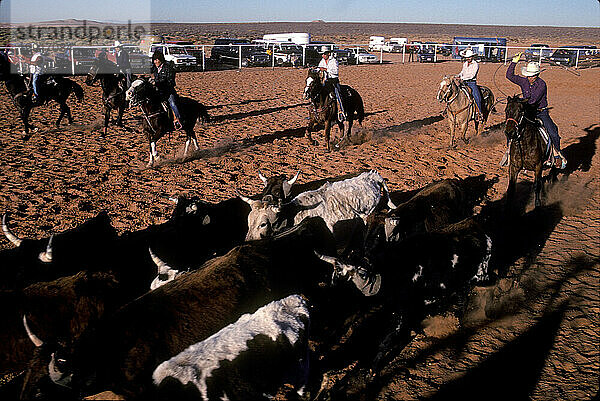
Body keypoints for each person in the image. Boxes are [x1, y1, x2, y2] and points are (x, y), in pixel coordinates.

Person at [506, 52, 566, 169]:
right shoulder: (524, 81)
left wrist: (520, 102)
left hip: (540, 112)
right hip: (527, 111)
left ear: (537, 75)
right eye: (528, 75)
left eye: (532, 75)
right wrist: (514, 62)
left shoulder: (541, 84)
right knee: (510, 127)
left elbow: (533, 101)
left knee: (553, 132)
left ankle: (556, 155)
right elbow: (509, 75)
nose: (529, 77)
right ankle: (509, 151)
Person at [150, 50, 182, 130]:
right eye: (154, 60)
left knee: (172, 103)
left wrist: (158, 83)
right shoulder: (154, 69)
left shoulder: (168, 68)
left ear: (161, 59)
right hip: (158, 91)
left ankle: (177, 119)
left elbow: (170, 81)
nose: (156, 61)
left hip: (168, 90)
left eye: (157, 60)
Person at [317, 46, 345, 122]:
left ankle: (341, 111)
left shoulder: (334, 61)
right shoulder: (322, 61)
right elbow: (319, 68)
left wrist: (325, 69)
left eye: (324, 54)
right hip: (325, 81)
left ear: (328, 54)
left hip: (333, 81)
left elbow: (335, 71)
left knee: (337, 94)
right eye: (322, 54)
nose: (323, 56)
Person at [455, 48, 483, 121]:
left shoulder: (475, 64)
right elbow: (462, 72)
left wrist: (462, 78)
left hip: (471, 83)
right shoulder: (465, 64)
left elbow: (472, 75)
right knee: (454, 92)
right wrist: (458, 75)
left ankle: (479, 112)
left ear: (472, 57)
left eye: (469, 57)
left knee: (477, 96)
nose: (468, 58)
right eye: (467, 57)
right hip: (464, 82)